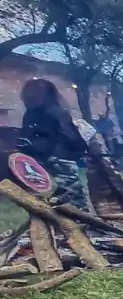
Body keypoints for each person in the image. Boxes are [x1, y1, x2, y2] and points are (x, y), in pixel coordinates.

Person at [16, 78, 93, 208]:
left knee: (45, 200)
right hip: (61, 160)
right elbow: (71, 138)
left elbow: (25, 138)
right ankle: (81, 224)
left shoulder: (30, 114)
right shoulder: (59, 112)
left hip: (37, 162)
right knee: (73, 200)